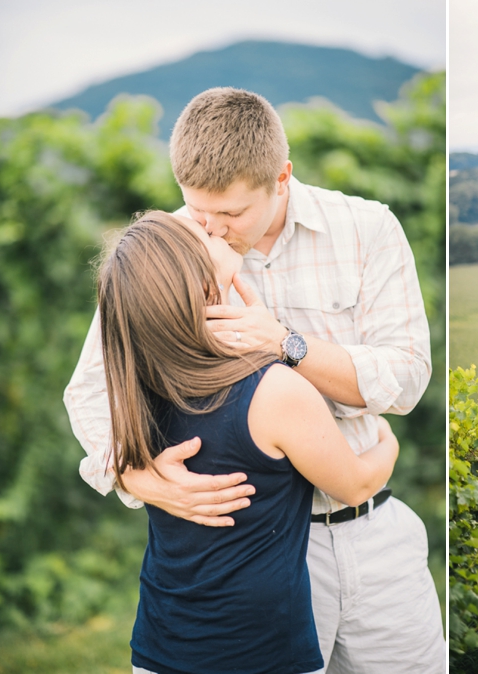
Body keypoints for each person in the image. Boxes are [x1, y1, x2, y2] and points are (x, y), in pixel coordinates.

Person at [64, 87, 445, 673]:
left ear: (281, 177)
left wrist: (285, 346)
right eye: (197, 210)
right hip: (254, 548)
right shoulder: (167, 248)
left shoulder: (367, 229)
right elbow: (91, 388)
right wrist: (137, 477)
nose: (212, 229)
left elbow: (407, 377)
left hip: (371, 533)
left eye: (232, 214)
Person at [99, 211, 400, 673]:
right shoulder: (274, 391)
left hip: (160, 646)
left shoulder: (135, 384)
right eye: (196, 234)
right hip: (263, 654)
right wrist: (386, 439)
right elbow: (357, 485)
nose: (208, 225)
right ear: (200, 288)